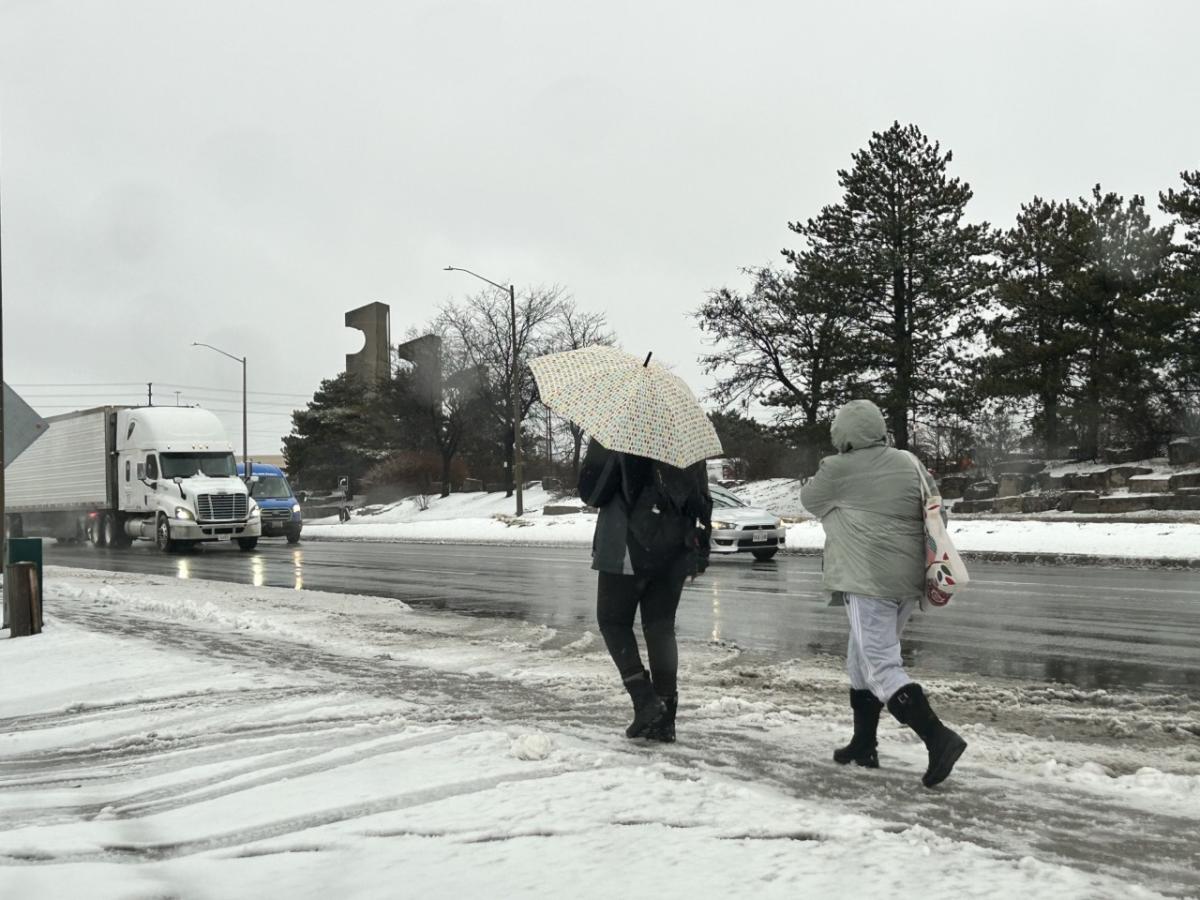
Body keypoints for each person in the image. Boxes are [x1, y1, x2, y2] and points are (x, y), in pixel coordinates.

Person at [800, 399, 967, 788]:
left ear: (843, 434)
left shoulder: (837, 468)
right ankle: (863, 744)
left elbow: (810, 501)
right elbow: (936, 510)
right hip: (908, 581)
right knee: (860, 660)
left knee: (879, 665)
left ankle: (938, 738)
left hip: (867, 580)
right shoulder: (908, 462)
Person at [578, 439, 713, 742]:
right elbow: (702, 498)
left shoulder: (617, 435)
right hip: (676, 548)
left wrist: (596, 457)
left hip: (628, 547)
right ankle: (666, 716)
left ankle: (645, 701)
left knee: (612, 622)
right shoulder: (685, 440)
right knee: (661, 627)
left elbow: (593, 493)